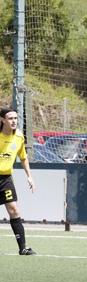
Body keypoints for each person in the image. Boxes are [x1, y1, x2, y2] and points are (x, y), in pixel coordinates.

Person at [0, 107, 36, 255]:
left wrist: (29, 176)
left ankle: (22, 248)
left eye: (15, 118)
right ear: (2, 120)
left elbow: (23, 157)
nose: (14, 121)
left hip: (6, 179)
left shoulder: (19, 137)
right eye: (10, 118)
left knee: (14, 210)